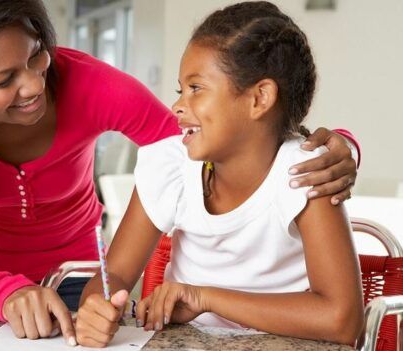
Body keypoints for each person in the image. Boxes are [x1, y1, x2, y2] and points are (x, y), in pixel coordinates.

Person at [0, 0, 360, 347]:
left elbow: (219, 139)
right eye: (3, 80)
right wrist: (1, 293)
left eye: (36, 53)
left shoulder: (92, 86)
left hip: (76, 287)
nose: (35, 83)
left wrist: (336, 144)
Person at [76, 1, 364, 347]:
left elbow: (342, 319)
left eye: (196, 88)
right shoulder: (171, 166)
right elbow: (117, 275)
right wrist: (95, 305)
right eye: (180, 90)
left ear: (260, 98)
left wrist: (205, 298)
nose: (178, 106)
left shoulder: (306, 174)